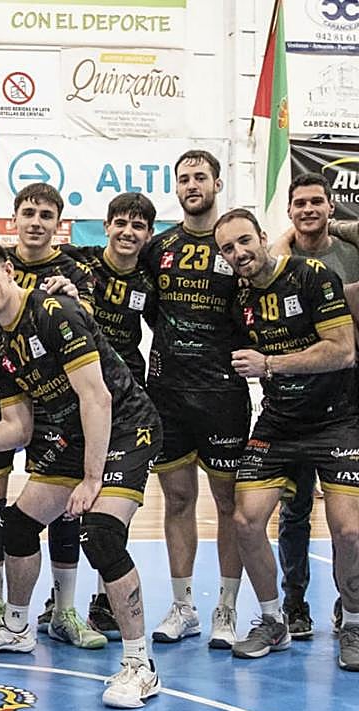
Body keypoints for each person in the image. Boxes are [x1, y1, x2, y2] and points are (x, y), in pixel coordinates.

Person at [0, 241, 163, 709]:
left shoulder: (55, 312)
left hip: (124, 428)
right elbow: (18, 430)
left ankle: (139, 665)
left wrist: (91, 479)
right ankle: (16, 628)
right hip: (69, 436)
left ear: (8, 270)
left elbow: (97, 398)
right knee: (18, 527)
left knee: (100, 534)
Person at [212, 209, 359, 668]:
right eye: (228, 249)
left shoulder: (313, 277)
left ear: (263, 237)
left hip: (336, 421)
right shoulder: (238, 298)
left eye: (244, 241)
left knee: (350, 530)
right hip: (278, 423)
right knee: (245, 521)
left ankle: (354, 625)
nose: (238, 253)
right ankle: (274, 620)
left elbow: (343, 351)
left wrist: (271, 364)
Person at [0, 183, 102, 649]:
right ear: (15, 218)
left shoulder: (74, 271)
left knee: (64, 506)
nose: (36, 222)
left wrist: (76, 298)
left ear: (58, 223)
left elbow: (86, 327)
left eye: (46, 215)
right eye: (29, 213)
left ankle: (63, 609)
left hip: (55, 402)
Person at [141, 150, 247, 649]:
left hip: (223, 395)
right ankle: (183, 606)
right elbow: (150, 311)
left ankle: (226, 608)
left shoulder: (234, 246)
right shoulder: (158, 247)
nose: (191, 185)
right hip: (168, 394)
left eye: (200, 177)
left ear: (217, 183)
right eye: (183, 178)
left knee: (228, 504)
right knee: (178, 500)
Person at [61, 191, 157, 638]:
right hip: (75, 393)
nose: (127, 232)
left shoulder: (150, 281)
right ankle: (60, 601)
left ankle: (104, 600)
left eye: (138, 226)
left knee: (110, 509)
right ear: (106, 227)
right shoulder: (77, 263)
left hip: (125, 398)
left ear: (148, 235)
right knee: (68, 496)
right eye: (120, 223)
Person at [268, 174, 359, 638]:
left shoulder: (349, 253)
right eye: (299, 203)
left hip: (346, 396)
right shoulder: (279, 259)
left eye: (316, 202)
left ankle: (349, 603)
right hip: (292, 400)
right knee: (294, 507)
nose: (308, 209)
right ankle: (294, 603)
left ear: (330, 207)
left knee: (348, 518)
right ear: (289, 210)